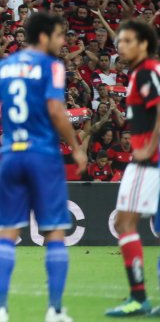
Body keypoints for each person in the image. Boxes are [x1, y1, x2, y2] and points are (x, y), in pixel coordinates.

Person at [0, 12, 86, 322]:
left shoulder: (4, 66)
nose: (63, 42)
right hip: (43, 156)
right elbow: (55, 109)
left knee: (7, 232)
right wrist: (76, 147)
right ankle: (54, 310)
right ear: (43, 37)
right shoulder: (52, 66)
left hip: (11, 155)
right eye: (59, 35)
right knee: (53, 232)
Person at [107, 20, 160, 317]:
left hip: (148, 162)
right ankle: (139, 297)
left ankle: (139, 298)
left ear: (143, 43)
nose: (121, 46)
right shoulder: (143, 72)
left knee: (125, 224)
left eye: (128, 40)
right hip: (147, 160)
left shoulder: (147, 72)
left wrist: (150, 147)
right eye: (120, 41)